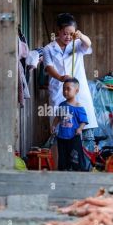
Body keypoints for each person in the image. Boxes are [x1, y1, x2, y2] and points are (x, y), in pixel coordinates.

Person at [43, 13, 97, 141]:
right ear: (59, 31)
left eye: (71, 34)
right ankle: (61, 160)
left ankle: (83, 159)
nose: (68, 37)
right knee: (58, 130)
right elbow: (49, 67)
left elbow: (88, 44)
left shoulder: (78, 44)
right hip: (59, 90)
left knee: (83, 128)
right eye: (65, 33)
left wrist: (81, 36)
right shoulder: (48, 49)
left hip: (79, 91)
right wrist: (60, 77)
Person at [51, 78, 88, 171]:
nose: (65, 91)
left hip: (73, 137)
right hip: (61, 137)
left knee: (75, 158)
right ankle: (63, 174)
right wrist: (54, 125)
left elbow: (83, 121)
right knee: (63, 159)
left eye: (68, 89)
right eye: (64, 89)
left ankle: (77, 175)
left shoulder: (79, 107)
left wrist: (80, 128)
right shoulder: (62, 105)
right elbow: (58, 117)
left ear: (76, 91)